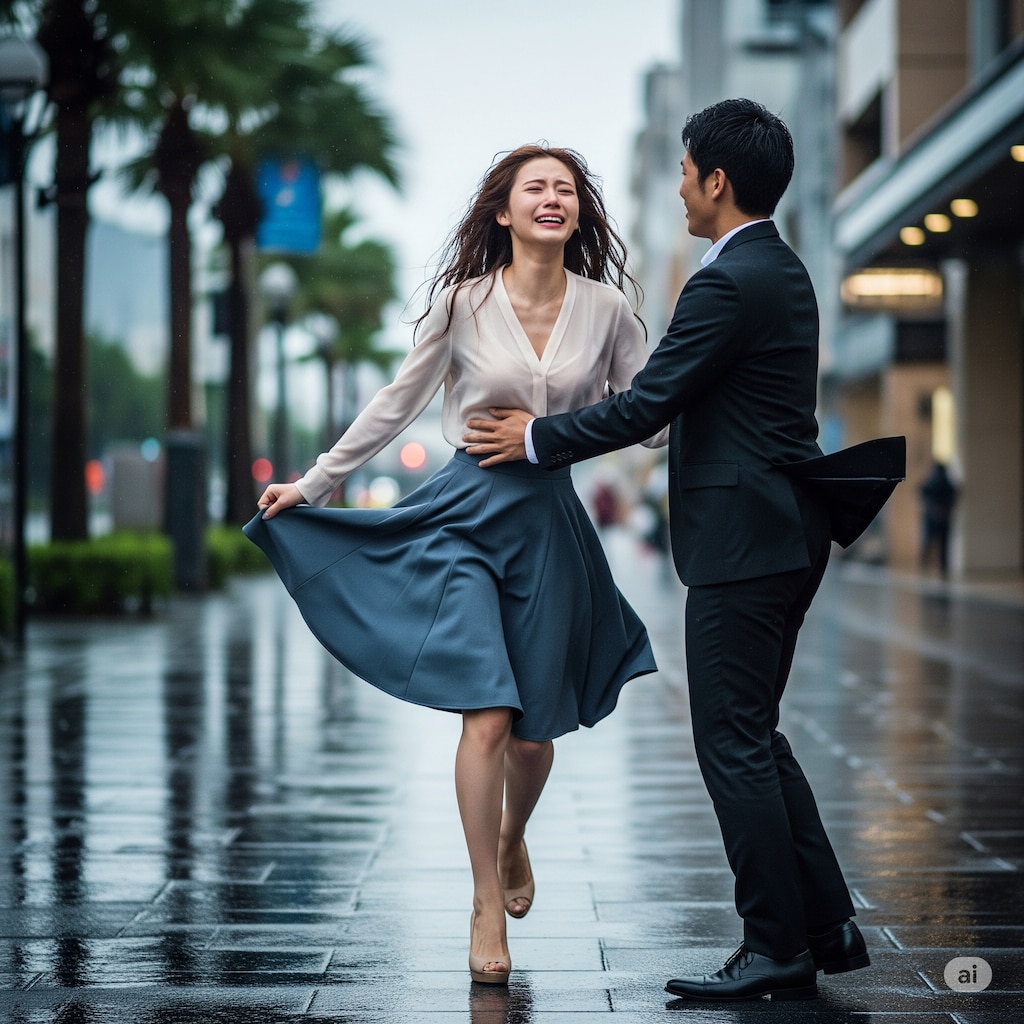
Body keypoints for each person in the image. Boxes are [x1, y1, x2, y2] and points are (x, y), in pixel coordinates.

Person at [463, 99, 871, 1002]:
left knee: (730, 742)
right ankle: (824, 922)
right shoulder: (779, 267)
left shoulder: (728, 281)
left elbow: (648, 404)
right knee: (755, 737)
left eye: (687, 172)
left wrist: (535, 438)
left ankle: (775, 945)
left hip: (746, 541)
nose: (681, 186)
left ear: (718, 181)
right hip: (776, 531)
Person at [245, 145, 667, 986]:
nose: (553, 198)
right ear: (503, 213)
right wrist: (317, 481)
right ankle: (483, 900)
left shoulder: (609, 310)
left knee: (536, 737)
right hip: (465, 516)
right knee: (488, 715)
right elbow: (394, 403)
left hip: (550, 523)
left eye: (566, 189)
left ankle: (512, 840)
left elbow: (651, 423)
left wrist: (601, 420)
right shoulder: (463, 303)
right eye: (534, 188)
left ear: (578, 214)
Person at [919, 460, 957, 576]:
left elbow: (923, 493)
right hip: (940, 516)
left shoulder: (934, 481)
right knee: (941, 543)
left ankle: (927, 564)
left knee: (930, 541)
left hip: (935, 517)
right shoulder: (943, 482)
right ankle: (940, 566)